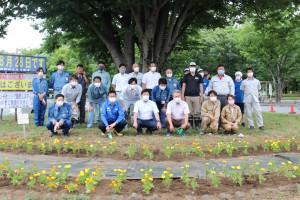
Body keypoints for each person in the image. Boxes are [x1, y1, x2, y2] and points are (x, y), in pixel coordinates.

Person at [181, 62, 203, 131]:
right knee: (189, 111)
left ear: (195, 67)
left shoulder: (199, 76)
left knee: (197, 111)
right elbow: (183, 86)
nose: (192, 67)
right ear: (189, 67)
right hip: (188, 96)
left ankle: (197, 125)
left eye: (194, 66)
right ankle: (190, 125)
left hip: (197, 96)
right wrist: (182, 95)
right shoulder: (186, 76)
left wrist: (201, 95)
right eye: (191, 66)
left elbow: (201, 86)